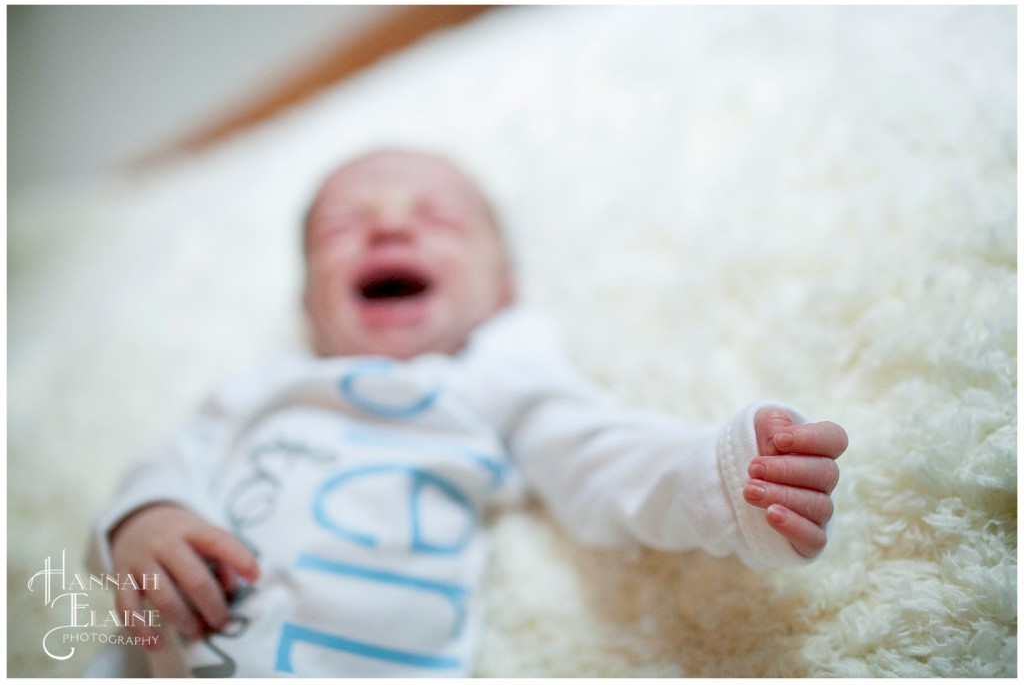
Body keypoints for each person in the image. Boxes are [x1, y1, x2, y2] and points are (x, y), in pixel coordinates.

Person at [87, 148, 848, 677]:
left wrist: (729, 477)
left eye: (439, 219)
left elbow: (600, 457)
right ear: (308, 307)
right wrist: (144, 522)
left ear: (503, 290)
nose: (389, 228)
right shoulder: (269, 387)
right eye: (342, 226)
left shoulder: (496, 380)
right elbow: (167, 464)